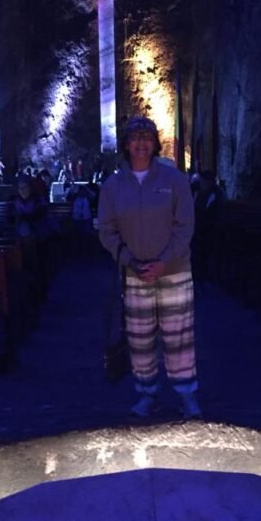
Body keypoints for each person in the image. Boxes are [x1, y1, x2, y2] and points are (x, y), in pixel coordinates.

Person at [98, 116, 201, 420]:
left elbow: (185, 226)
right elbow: (107, 230)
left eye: (146, 137)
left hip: (174, 272)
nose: (141, 143)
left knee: (179, 338)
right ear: (126, 144)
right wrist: (129, 260)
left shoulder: (175, 181)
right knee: (140, 340)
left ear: (155, 143)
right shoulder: (113, 187)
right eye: (135, 138)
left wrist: (164, 261)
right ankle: (147, 394)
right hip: (136, 274)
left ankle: (187, 395)